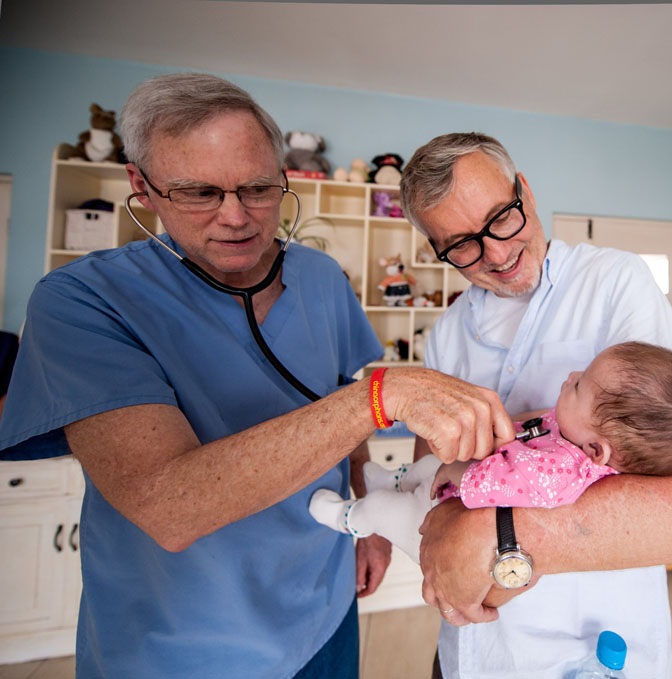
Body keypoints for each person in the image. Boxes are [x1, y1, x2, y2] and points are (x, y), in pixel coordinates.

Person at [0, 75, 515, 679]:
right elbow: (170, 506)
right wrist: (384, 394)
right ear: (142, 187)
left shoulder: (320, 278)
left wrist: (369, 514)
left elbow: (337, 399)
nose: (236, 217)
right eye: (198, 193)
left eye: (257, 188)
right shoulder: (82, 301)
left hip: (324, 611)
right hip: (182, 645)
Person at [398, 132, 672, 678]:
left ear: (526, 192)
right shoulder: (446, 337)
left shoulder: (614, 283)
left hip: (594, 646)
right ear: (437, 251)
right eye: (462, 245)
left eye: (502, 217)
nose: (496, 254)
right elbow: (430, 469)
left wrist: (500, 534)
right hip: (473, 647)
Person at [309, 341, 672, 563]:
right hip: (454, 484)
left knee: (387, 509)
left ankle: (351, 518)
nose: (570, 376)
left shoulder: (565, 471)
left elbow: (517, 480)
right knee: (427, 465)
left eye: (580, 385)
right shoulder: (576, 435)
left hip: (439, 516)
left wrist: (463, 473)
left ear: (596, 450)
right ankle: (395, 478)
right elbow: (533, 425)